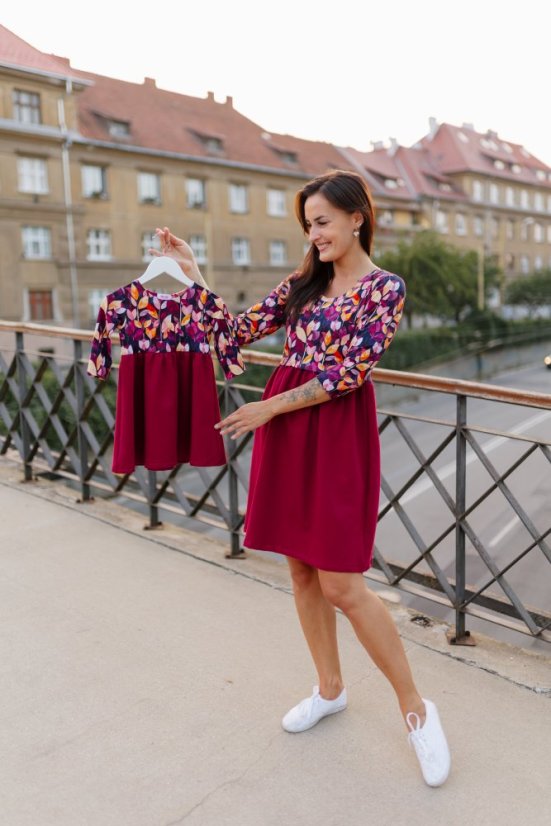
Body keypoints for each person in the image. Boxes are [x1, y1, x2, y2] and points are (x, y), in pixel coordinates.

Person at [150, 169, 451, 788]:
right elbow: (231, 334)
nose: (314, 236)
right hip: (289, 428)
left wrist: (267, 408)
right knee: (300, 569)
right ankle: (331, 688)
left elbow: (349, 372)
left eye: (322, 223)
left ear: (356, 218)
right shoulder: (303, 284)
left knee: (344, 583)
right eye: (308, 226)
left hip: (333, 430)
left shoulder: (384, 289)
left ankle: (416, 709)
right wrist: (192, 272)